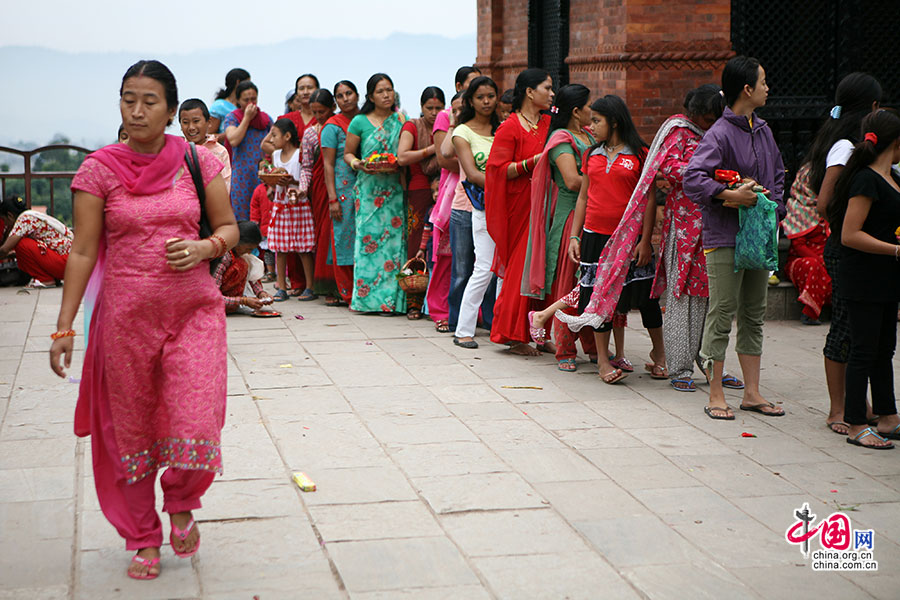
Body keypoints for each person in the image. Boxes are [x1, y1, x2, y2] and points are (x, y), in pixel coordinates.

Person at [51, 59, 238, 580]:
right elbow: (83, 252)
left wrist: (204, 246)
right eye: (128, 99)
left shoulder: (198, 162)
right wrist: (65, 327)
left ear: (172, 111)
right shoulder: (99, 170)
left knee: (195, 417)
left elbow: (228, 227)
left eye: (149, 101)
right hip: (125, 320)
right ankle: (141, 536)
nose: (136, 110)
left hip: (194, 311)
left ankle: (180, 502)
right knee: (129, 431)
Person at [684, 55, 787, 420]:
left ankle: (752, 393)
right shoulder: (719, 134)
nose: (767, 88)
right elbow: (693, 177)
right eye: (762, 82)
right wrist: (731, 196)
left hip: (757, 237)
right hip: (725, 236)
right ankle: (715, 393)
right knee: (723, 311)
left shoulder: (764, 130)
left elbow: (778, 176)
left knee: (754, 313)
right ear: (747, 89)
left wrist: (768, 204)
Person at [537, 95, 663, 383]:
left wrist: (644, 241)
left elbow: (649, 198)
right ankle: (604, 362)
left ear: (614, 122)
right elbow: (583, 196)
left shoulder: (640, 154)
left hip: (629, 239)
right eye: (591, 120)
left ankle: (660, 355)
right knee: (597, 300)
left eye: (596, 121)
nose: (590, 126)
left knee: (646, 298)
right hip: (594, 237)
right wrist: (574, 235)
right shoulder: (591, 154)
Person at [805, 73, 882, 435]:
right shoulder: (845, 148)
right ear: (872, 108)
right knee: (844, 327)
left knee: (863, 330)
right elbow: (824, 203)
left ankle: (858, 403)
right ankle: (838, 408)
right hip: (844, 247)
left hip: (859, 247)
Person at [826, 110, 900, 448]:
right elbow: (850, 234)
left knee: (884, 349)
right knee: (862, 350)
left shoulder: (893, 178)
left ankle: (888, 416)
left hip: (885, 277)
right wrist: (895, 250)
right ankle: (856, 422)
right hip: (863, 276)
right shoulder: (865, 180)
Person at [649, 84, 727, 391]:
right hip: (684, 228)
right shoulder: (679, 131)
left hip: (715, 224)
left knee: (714, 297)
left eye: (708, 118)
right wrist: (707, 172)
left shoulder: (722, 133)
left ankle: (709, 364)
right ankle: (679, 367)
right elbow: (667, 167)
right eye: (700, 117)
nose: (701, 123)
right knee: (682, 296)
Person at [522, 84, 598, 371]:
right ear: (577, 111)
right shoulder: (561, 139)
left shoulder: (589, 134)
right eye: (590, 105)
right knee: (571, 283)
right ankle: (565, 348)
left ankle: (592, 346)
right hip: (570, 219)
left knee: (590, 285)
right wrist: (607, 180)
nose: (594, 111)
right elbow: (572, 180)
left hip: (593, 214)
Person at [485, 68, 554, 356]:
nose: (551, 94)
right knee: (521, 270)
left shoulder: (551, 122)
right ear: (529, 92)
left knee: (545, 267)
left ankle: (540, 332)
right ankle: (511, 335)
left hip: (547, 203)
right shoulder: (510, 126)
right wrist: (532, 162)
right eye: (547, 88)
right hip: (519, 205)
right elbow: (497, 170)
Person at [343, 73, 407, 314]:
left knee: (393, 243)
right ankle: (365, 300)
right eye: (381, 91)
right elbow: (348, 153)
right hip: (369, 190)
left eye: (389, 90)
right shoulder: (359, 121)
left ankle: (392, 301)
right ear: (371, 96)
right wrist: (358, 164)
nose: (386, 95)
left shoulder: (401, 119)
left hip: (394, 189)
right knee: (367, 242)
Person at [451, 76, 499, 348]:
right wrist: (509, 179)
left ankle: (504, 328)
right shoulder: (462, 133)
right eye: (481, 97)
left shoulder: (502, 129)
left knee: (506, 271)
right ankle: (464, 330)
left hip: (509, 206)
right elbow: (471, 174)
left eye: (491, 96)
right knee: (483, 268)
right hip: (481, 206)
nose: (486, 101)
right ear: (470, 100)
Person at [436, 67, 485, 332]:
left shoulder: (489, 128)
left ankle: (486, 319)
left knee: (486, 267)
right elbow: (444, 152)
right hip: (462, 206)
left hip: (488, 205)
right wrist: (456, 120)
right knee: (461, 269)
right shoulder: (462, 130)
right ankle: (456, 319)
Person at [398, 86, 444, 319]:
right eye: (429, 108)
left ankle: (434, 301)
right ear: (421, 107)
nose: (434, 113)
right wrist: (432, 149)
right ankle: (413, 302)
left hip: (443, 186)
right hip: (418, 189)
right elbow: (402, 156)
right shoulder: (413, 126)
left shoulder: (446, 125)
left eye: (438, 108)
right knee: (416, 244)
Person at [267, 118, 316, 302]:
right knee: (281, 248)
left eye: (274, 135)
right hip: (280, 205)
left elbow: (304, 179)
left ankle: (310, 287)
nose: (271, 139)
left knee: (303, 248)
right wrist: (272, 187)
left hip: (299, 205)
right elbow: (273, 178)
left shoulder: (299, 155)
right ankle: (281, 286)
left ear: (287, 136)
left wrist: (293, 183)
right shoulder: (275, 156)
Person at [321, 80, 360, 305]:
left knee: (363, 238)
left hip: (365, 186)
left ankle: (362, 289)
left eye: (349, 93)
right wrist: (332, 198)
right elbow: (328, 165)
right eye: (340, 96)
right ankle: (346, 292)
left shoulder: (365, 120)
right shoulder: (332, 126)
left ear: (357, 95)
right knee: (343, 238)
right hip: (342, 190)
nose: (345, 99)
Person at [298, 89, 339, 301]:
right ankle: (327, 285)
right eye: (314, 112)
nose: (319, 116)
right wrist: (303, 189)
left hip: (343, 182)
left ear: (332, 107)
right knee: (324, 234)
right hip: (320, 189)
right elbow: (306, 166)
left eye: (322, 111)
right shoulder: (310, 133)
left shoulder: (342, 125)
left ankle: (345, 284)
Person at [783, 165, 831, 325]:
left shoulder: (829, 206)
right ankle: (809, 312)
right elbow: (798, 245)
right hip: (802, 260)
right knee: (813, 265)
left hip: (827, 257)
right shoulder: (797, 207)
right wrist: (820, 260)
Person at [224, 81, 271, 220]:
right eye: (246, 100)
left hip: (262, 174)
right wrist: (246, 119)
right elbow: (233, 140)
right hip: (241, 175)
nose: (251, 103)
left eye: (254, 99)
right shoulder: (232, 118)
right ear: (238, 100)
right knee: (241, 216)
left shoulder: (266, 120)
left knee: (262, 214)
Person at [0, 194, 73, 284]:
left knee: (21, 244)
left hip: (65, 264)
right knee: (21, 249)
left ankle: (45, 279)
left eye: (4, 219)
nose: (6, 224)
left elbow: (4, 250)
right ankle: (49, 277)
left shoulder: (23, 219)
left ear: (10, 215)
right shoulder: (32, 215)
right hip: (70, 263)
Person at [214, 220, 273, 313]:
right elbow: (213, 297)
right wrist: (243, 301)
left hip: (230, 302)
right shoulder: (224, 257)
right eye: (248, 248)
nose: (248, 252)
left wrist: (261, 293)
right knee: (240, 264)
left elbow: (252, 279)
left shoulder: (241, 255)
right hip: (216, 303)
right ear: (237, 241)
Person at [179, 98, 232, 192]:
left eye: (196, 121)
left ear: (209, 122)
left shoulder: (220, 152)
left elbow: (225, 188)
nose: (191, 127)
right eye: (185, 122)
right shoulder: (177, 151)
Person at [265, 74, 320, 153]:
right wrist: (291, 157)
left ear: (317, 90)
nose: (305, 92)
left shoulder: (325, 117)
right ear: (296, 93)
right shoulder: (286, 119)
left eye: (310, 88)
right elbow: (266, 144)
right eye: (301, 88)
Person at [209, 68, 250, 140]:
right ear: (238, 82)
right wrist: (233, 133)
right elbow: (209, 135)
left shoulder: (243, 107)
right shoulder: (219, 106)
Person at [249, 175, 276, 281]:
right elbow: (254, 207)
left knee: (280, 252)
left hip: (278, 226)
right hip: (265, 227)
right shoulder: (259, 190)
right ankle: (271, 272)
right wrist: (255, 221)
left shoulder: (277, 189)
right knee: (268, 251)